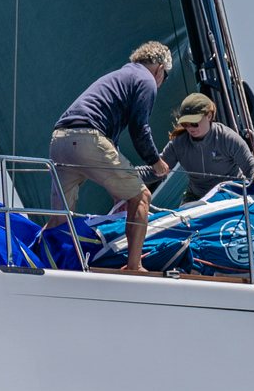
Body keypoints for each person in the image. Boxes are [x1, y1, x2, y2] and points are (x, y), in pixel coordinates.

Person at [47, 41, 173, 272]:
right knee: (141, 196)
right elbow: (140, 128)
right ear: (159, 68)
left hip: (60, 141)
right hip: (87, 139)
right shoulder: (146, 80)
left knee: (59, 219)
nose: (161, 82)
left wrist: (118, 191)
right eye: (164, 77)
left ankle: (37, 258)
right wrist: (155, 162)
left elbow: (108, 148)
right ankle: (135, 266)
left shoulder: (121, 75)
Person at [142, 93, 254, 201]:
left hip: (232, 193)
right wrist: (128, 173)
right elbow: (157, 171)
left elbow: (250, 166)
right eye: (185, 124)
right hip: (197, 197)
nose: (190, 128)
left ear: (209, 116)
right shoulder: (179, 144)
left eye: (194, 123)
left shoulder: (227, 137)